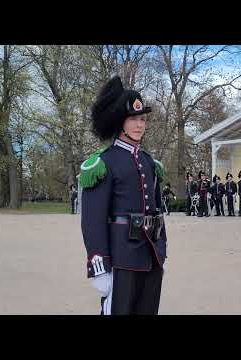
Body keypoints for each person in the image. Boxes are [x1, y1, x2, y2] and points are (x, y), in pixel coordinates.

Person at [80, 76, 167, 315]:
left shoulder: (150, 163)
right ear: (120, 122)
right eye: (133, 119)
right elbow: (92, 221)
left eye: (142, 119)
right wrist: (99, 266)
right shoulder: (102, 163)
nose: (140, 125)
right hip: (122, 259)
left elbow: (157, 211)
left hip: (151, 257)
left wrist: (161, 249)